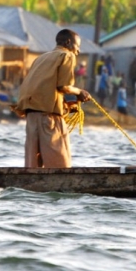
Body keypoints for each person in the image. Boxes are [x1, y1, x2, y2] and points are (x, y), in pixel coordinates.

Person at [13, 29, 91, 168]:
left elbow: (45, 89)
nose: (78, 52)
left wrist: (66, 106)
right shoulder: (66, 55)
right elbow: (63, 86)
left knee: (33, 167)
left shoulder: (41, 58)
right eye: (77, 47)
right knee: (61, 167)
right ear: (68, 42)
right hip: (49, 119)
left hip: (32, 117)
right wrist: (80, 92)